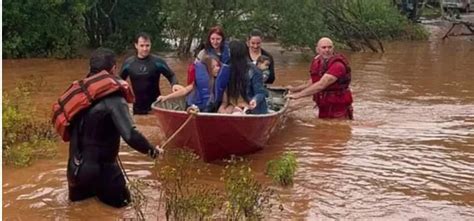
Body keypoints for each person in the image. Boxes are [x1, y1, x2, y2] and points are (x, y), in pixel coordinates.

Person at [66, 48, 162, 208]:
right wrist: (153, 151)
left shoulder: (78, 94)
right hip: (104, 172)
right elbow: (130, 135)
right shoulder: (114, 98)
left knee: (79, 213)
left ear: (91, 69)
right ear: (113, 69)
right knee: (127, 210)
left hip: (75, 171)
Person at [286, 37, 353, 120]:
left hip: (338, 108)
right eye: (324, 47)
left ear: (333, 49)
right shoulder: (319, 61)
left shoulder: (338, 65)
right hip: (324, 105)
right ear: (317, 49)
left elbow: (321, 84)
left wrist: (298, 95)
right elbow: (312, 82)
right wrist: (294, 89)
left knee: (337, 130)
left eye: (329, 47)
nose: (327, 50)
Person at [120, 32, 183, 115]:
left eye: (147, 45)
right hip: (137, 108)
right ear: (136, 45)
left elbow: (171, 75)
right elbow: (119, 81)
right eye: (142, 46)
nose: (145, 49)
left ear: (151, 45)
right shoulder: (128, 63)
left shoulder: (158, 62)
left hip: (156, 106)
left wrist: (174, 84)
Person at [157, 54, 230, 112]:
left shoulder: (221, 84)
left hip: (211, 112)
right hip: (195, 110)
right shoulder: (198, 83)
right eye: (213, 67)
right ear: (206, 69)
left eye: (218, 66)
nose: (218, 68)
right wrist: (166, 97)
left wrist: (222, 109)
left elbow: (224, 102)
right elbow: (184, 91)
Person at [218, 40, 268, 115]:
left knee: (238, 113)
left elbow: (260, 92)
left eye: (228, 51)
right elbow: (225, 92)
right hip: (233, 105)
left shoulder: (254, 71)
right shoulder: (228, 69)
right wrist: (222, 107)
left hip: (249, 106)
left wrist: (255, 100)